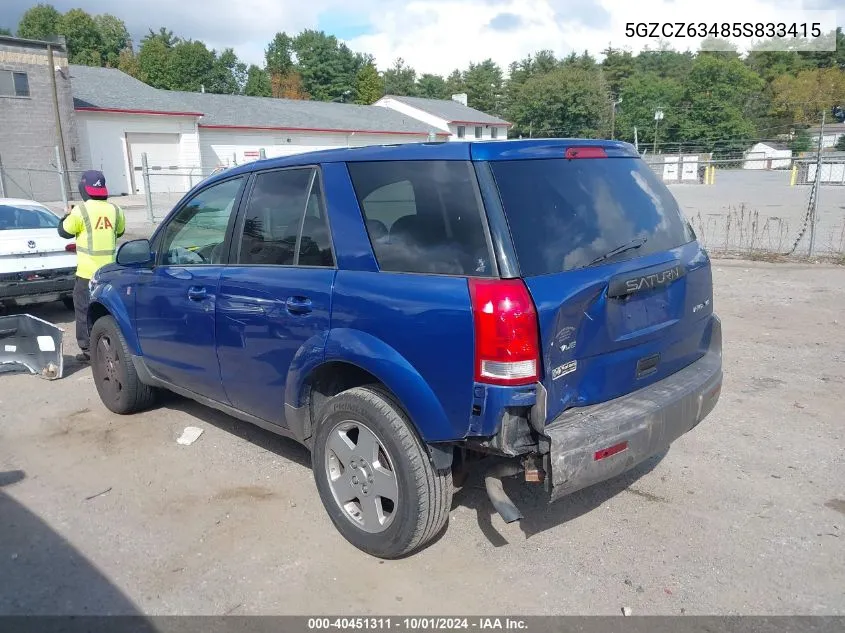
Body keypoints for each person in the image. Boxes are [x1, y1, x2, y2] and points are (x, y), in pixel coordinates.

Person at [58, 170, 125, 363]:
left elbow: (64, 231)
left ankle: (88, 350)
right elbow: (120, 232)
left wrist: (66, 216)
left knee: (83, 310)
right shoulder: (115, 210)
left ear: (83, 189)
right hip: (111, 272)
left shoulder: (81, 211)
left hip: (88, 273)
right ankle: (112, 346)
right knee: (109, 311)